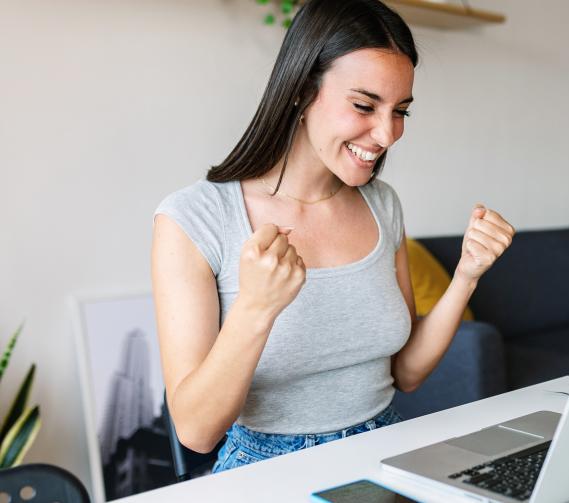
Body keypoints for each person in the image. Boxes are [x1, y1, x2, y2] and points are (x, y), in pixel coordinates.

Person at [151, 0, 514, 473]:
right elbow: (196, 432)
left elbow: (405, 373)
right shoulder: (192, 219)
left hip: (384, 449)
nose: (386, 134)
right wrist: (256, 309)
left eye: (400, 110)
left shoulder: (381, 204)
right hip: (266, 469)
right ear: (302, 90)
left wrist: (467, 275)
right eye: (364, 105)